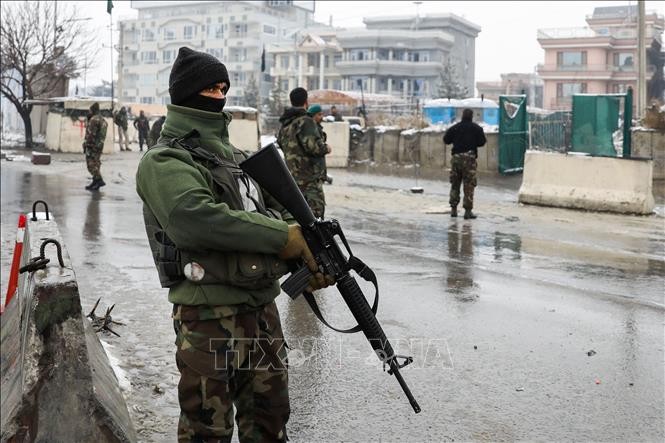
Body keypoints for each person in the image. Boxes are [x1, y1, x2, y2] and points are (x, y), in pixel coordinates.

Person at [135, 47, 331, 443]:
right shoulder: (164, 161)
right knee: (208, 427)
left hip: (261, 308)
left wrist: (305, 250)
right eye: (210, 88)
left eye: (224, 86)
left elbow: (284, 207)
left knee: (271, 419)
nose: (219, 94)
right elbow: (197, 219)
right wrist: (283, 238)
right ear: (185, 93)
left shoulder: (237, 158)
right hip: (208, 316)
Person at [277, 87, 330, 219]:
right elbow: (314, 148)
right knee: (315, 218)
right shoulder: (305, 121)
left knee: (299, 218)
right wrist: (326, 148)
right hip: (309, 179)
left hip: (294, 179)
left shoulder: (285, 124)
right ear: (306, 102)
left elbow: (282, 145)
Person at [443, 108, 486, 219]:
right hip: (469, 159)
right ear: (471, 117)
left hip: (456, 158)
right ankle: (467, 211)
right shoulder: (476, 128)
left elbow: (446, 140)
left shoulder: (455, 128)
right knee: (469, 185)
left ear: (462, 116)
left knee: (455, 184)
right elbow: (482, 142)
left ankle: (453, 209)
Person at [83, 102, 108, 191]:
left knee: (91, 164)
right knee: (96, 163)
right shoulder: (102, 119)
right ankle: (95, 182)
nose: (89, 112)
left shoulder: (94, 120)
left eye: (90, 110)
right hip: (99, 145)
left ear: (93, 110)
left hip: (92, 145)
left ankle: (99, 180)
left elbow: (91, 134)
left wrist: (87, 144)